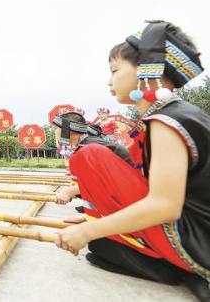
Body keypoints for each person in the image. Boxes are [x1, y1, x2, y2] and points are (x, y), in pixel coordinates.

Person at [54, 21, 210, 301]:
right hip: (194, 226)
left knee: (92, 160)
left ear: (147, 70)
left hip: (197, 237)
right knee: (104, 242)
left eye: (114, 71)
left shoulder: (167, 120)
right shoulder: (167, 115)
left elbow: (165, 205)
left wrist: (90, 229)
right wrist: (100, 215)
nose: (109, 81)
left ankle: (170, 262)